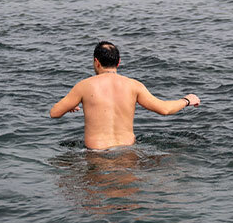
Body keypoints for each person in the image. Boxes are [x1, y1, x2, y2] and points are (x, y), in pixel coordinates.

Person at [50, 41, 199, 151]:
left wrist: (68, 107)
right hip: (127, 152)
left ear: (96, 62)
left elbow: (54, 113)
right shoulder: (134, 85)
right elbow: (164, 109)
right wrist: (186, 100)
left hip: (96, 153)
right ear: (119, 62)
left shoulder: (84, 86)